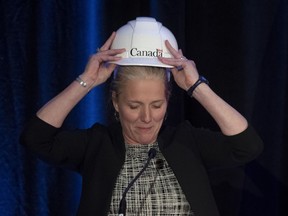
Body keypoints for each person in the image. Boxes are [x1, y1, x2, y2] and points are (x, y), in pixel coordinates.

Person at [20, 17, 263, 216]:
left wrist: (196, 86)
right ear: (116, 102)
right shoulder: (97, 145)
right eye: (134, 106)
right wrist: (87, 82)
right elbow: (36, 138)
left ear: (168, 102)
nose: (146, 117)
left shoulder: (187, 141)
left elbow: (247, 146)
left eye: (157, 105)